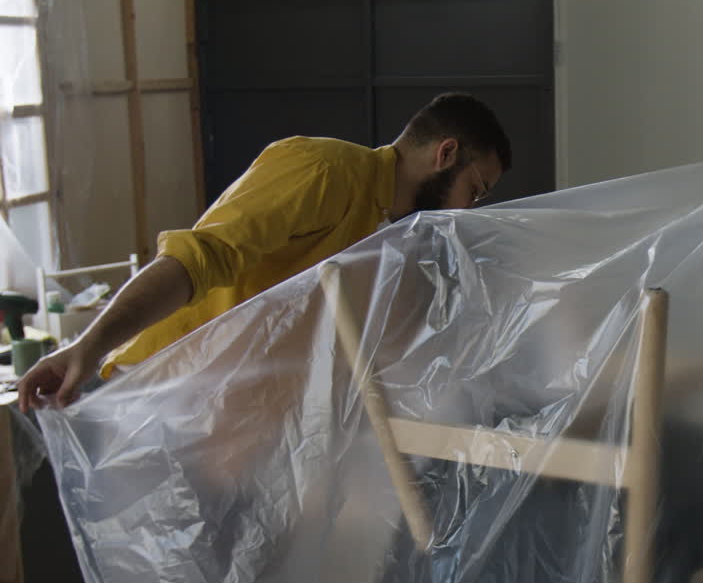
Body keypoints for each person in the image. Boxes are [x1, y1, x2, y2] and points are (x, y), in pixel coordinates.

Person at [18, 92, 511, 413]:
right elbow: (197, 259)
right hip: (162, 391)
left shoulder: (389, 227)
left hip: (224, 406)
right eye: (475, 190)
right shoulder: (326, 171)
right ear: (445, 154)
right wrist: (91, 345)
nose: (468, 211)